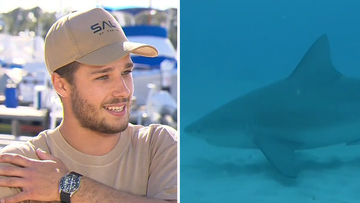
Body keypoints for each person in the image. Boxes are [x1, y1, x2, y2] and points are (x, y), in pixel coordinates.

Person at [0, 7, 177, 203]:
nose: (124, 91)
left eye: (126, 72)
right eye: (103, 76)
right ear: (62, 85)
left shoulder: (159, 146)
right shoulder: (20, 167)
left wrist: (70, 187)